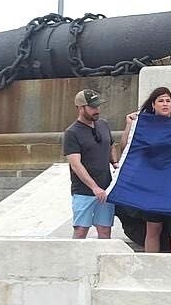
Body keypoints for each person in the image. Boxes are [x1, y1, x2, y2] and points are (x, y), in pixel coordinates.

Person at [120, 87, 171, 253]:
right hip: (152, 187)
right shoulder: (144, 126)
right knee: (153, 229)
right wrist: (130, 125)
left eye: (168, 100)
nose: (165, 104)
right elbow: (126, 148)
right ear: (153, 104)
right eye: (161, 100)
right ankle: (152, 266)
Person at [63, 89, 118, 239]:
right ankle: (75, 261)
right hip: (83, 191)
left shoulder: (103, 124)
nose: (97, 110)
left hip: (106, 188)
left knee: (105, 230)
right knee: (81, 230)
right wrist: (94, 187)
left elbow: (111, 144)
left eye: (98, 106)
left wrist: (115, 162)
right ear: (81, 108)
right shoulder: (72, 133)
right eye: (92, 107)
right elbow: (76, 164)